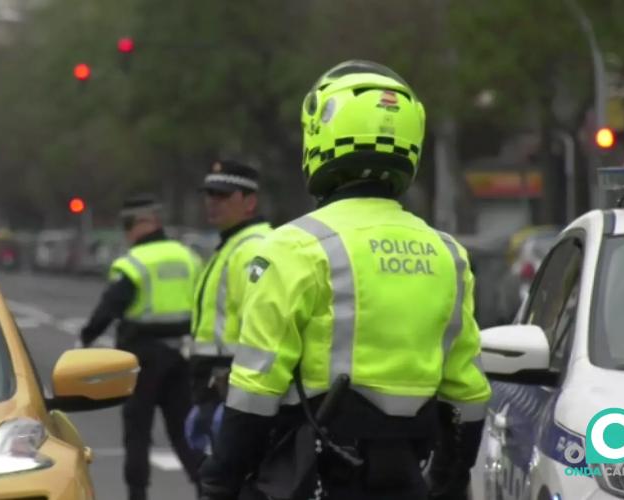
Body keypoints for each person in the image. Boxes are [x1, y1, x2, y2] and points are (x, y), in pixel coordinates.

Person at [197, 60, 492, 500]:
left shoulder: (293, 246)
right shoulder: (448, 254)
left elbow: (256, 392)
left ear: (321, 136)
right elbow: (467, 394)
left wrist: (218, 484)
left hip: (315, 476)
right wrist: (446, 482)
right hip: (409, 477)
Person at [78, 194, 204, 500]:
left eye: (128, 225)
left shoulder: (133, 262)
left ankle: (138, 495)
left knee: (138, 432)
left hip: (143, 357)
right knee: (183, 432)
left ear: (148, 222)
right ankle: (209, 490)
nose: (127, 232)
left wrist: (85, 339)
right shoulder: (190, 257)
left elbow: (110, 306)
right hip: (184, 354)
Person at [186, 160, 273, 455]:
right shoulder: (232, 245)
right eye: (209, 194)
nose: (212, 202)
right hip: (216, 383)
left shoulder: (252, 248)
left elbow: (264, 325)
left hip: (231, 382)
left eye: (223, 195)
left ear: (250, 201)